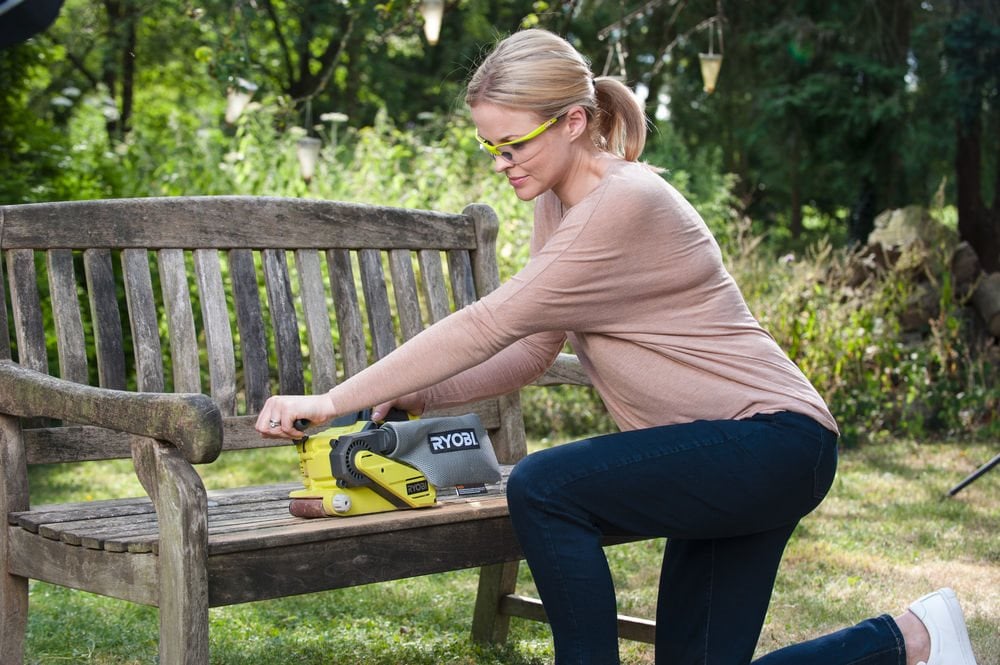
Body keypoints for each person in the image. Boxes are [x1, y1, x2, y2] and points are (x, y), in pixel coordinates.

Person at [255, 28, 980, 665]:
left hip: (769, 443)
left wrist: (330, 400)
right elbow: (534, 347)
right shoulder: (556, 201)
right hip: (735, 449)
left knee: (545, 485)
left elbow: (489, 322)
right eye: (489, 146)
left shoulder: (626, 201)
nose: (501, 162)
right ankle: (914, 637)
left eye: (514, 143)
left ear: (573, 120)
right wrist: (426, 392)